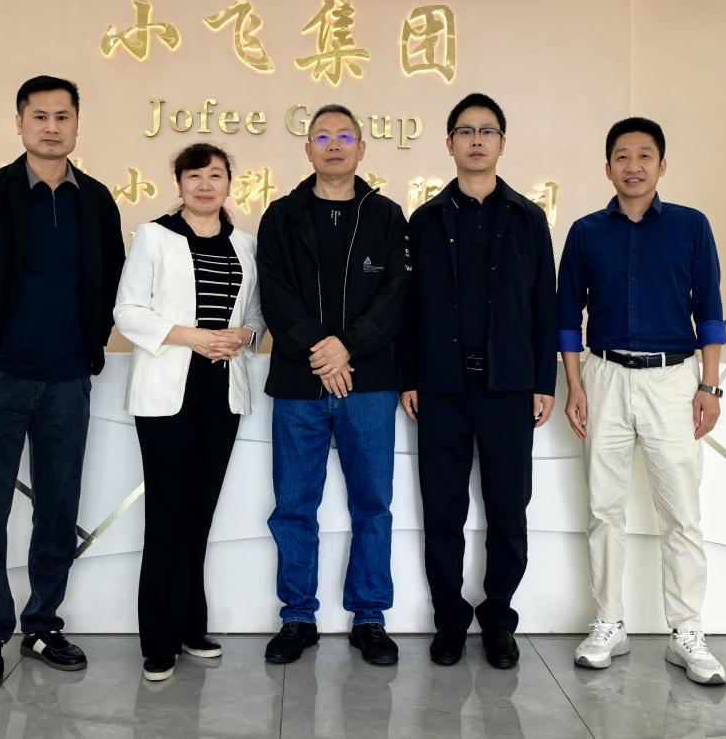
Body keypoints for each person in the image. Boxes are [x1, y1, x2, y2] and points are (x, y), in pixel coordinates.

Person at [0, 75, 125, 690]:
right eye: (40, 116)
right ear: (20, 123)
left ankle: (43, 624)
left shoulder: (94, 200)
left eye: (63, 116)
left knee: (58, 510)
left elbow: (111, 281)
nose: (52, 127)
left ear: (77, 125)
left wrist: (91, 350)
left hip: (67, 381)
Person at [557, 116, 726, 685]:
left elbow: (709, 309)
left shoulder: (690, 226)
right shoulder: (585, 232)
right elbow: (567, 318)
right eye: (622, 156)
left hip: (673, 381)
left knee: (681, 513)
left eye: (644, 155)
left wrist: (709, 385)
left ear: (661, 165)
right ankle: (609, 622)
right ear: (607, 167)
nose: (633, 166)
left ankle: (687, 632)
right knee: (603, 510)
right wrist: (576, 386)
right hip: (604, 377)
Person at [399, 92, 557, 670]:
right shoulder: (425, 220)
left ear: (502, 143)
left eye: (486, 131)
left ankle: (497, 621)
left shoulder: (528, 218)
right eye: (465, 131)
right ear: (449, 144)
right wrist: (410, 377)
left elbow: (544, 305)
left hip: (508, 388)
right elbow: (408, 308)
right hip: (441, 387)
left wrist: (544, 381)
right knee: (442, 510)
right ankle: (449, 621)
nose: (476, 140)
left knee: (508, 509)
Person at [256, 104, 410, 666]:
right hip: (299, 385)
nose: (334, 145)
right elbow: (274, 294)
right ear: (308, 150)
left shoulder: (387, 216)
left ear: (362, 148)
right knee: (294, 506)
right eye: (322, 137)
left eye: (345, 136)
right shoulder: (281, 216)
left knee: (373, 505)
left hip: (369, 385)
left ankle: (369, 617)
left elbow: (397, 294)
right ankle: (298, 616)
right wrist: (323, 352)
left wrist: (347, 346)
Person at [113, 142, 265, 682]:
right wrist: (195, 337)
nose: (205, 184)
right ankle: (158, 639)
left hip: (223, 392)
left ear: (229, 184)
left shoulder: (245, 245)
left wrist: (242, 337)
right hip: (166, 394)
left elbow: (256, 317)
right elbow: (127, 311)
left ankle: (190, 625)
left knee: (200, 513)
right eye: (194, 175)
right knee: (167, 515)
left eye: (215, 175)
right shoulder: (154, 237)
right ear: (178, 183)